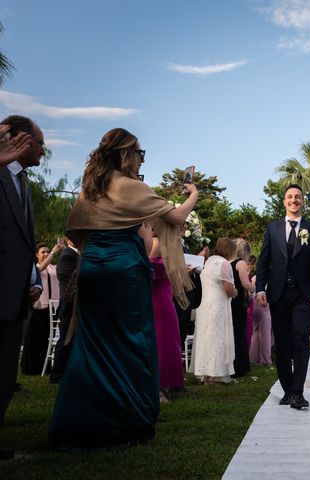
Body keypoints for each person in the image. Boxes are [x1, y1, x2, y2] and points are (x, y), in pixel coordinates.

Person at [49, 128, 198, 449]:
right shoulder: (131, 187)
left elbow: (74, 232)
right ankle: (126, 419)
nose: (141, 159)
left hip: (91, 270)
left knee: (93, 344)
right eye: (140, 153)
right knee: (131, 343)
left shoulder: (91, 189)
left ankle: (81, 420)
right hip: (124, 272)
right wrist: (193, 194)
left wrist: (99, 247)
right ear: (125, 154)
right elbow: (176, 216)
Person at [255, 184, 310, 410]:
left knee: (300, 338)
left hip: (303, 295)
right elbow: (263, 261)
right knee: (284, 343)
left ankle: (298, 392)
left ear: (303, 201)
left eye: (298, 197)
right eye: (290, 197)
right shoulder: (272, 228)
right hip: (277, 294)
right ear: (284, 201)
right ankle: (287, 390)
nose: (294, 200)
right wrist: (260, 288)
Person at [0, 116, 44, 461]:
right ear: (15, 138)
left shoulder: (22, 181)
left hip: (16, 296)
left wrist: (33, 280)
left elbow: (23, 242)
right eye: (38, 143)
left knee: (3, 372)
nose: (43, 150)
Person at [191, 237, 238, 384]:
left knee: (206, 337)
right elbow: (228, 289)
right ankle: (216, 374)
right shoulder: (224, 263)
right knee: (218, 337)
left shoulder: (209, 261)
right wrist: (236, 292)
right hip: (218, 306)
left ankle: (204, 372)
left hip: (204, 305)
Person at [149, 235, 185, 401]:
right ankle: (158, 388)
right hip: (157, 297)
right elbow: (148, 267)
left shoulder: (166, 243)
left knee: (170, 340)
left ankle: (169, 384)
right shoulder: (156, 242)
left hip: (165, 293)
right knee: (163, 342)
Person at [21, 241, 62, 375]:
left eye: (47, 251)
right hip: (39, 306)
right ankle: (30, 367)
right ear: (36, 255)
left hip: (53, 308)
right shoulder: (37, 266)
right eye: (43, 252)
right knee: (34, 338)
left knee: (47, 338)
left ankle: (45, 366)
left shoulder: (54, 267)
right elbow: (40, 269)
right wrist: (53, 252)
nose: (45, 254)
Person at [49, 237, 78, 384]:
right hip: (69, 305)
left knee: (71, 341)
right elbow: (70, 281)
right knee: (65, 340)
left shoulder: (77, 255)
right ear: (67, 239)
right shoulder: (67, 255)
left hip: (76, 305)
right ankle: (56, 375)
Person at [229, 238, 254, 377]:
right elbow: (246, 284)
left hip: (230, 301)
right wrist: (258, 289)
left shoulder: (228, 263)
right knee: (240, 333)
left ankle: (233, 365)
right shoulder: (241, 263)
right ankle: (240, 366)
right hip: (239, 301)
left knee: (233, 333)